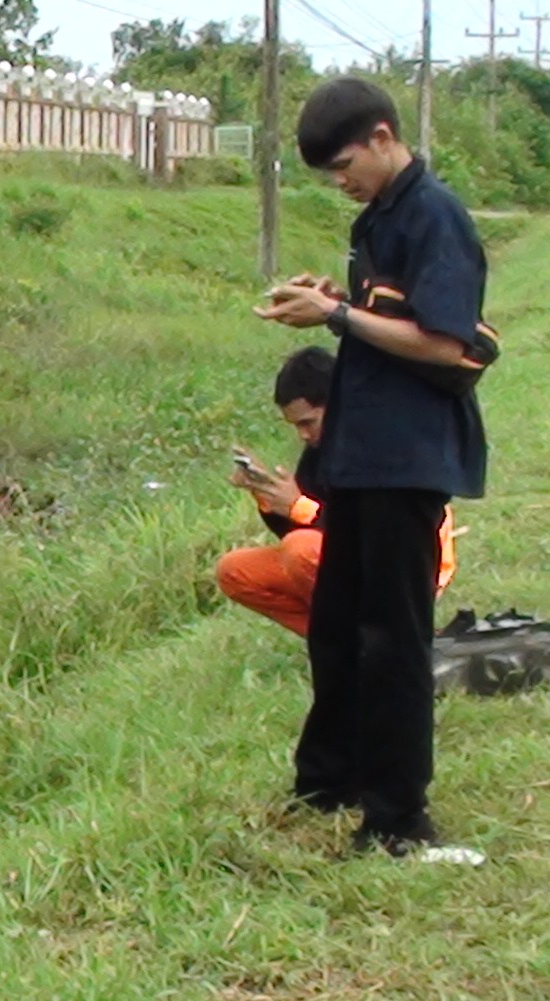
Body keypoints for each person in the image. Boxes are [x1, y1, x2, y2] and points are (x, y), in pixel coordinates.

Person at [253, 77, 489, 862]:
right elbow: (384, 318)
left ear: (384, 136)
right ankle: (329, 781)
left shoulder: (434, 217)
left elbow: (449, 344)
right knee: (337, 626)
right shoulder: (376, 221)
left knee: (393, 638)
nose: (342, 181)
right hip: (359, 454)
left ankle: (398, 820)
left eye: (347, 164)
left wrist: (339, 318)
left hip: (405, 456)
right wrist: (333, 299)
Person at [216, 346, 456, 638]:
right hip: (358, 561)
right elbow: (303, 528)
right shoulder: (321, 449)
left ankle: (389, 636)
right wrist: (268, 496)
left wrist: (299, 507)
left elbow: (381, 531)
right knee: (235, 571)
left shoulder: (386, 440)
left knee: (301, 550)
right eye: (296, 426)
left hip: (409, 570)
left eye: (308, 422)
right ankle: (344, 640)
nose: (303, 435)